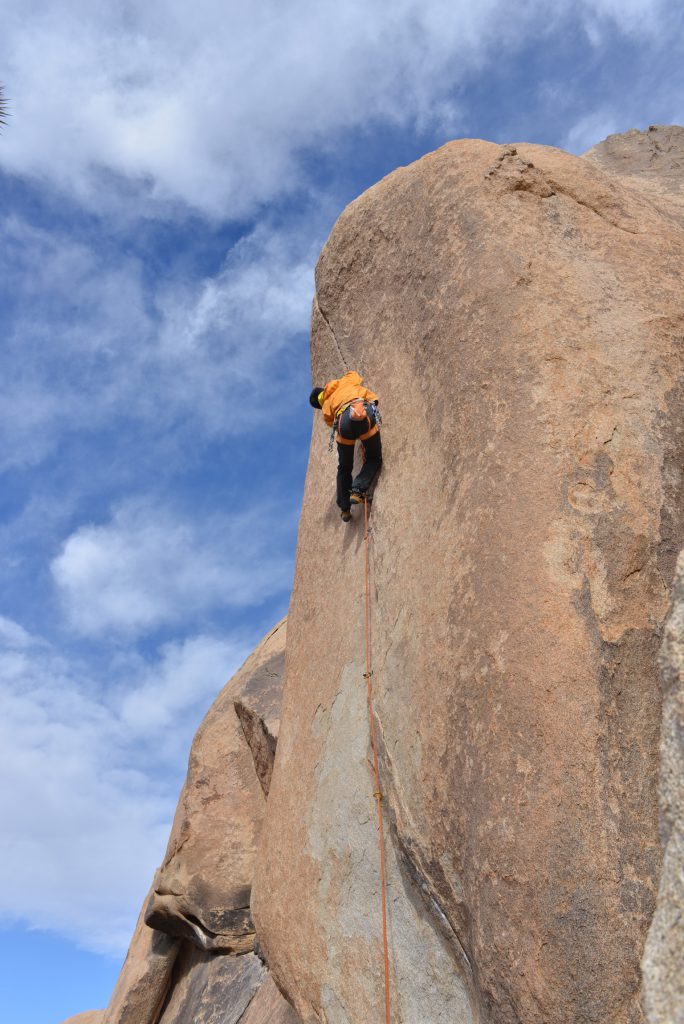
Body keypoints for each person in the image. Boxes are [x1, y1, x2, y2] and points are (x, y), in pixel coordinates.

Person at [309, 371, 382, 522]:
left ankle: (344, 509)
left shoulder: (326, 406)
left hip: (343, 425)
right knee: (374, 457)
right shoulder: (344, 381)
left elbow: (331, 423)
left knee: (344, 467)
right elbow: (354, 374)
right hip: (363, 412)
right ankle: (357, 490)